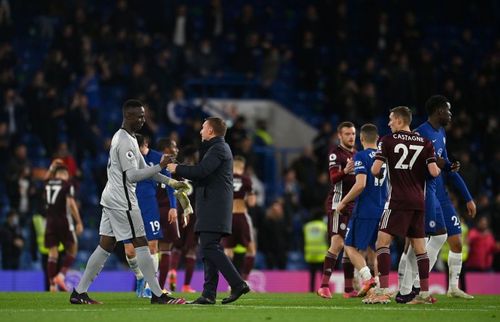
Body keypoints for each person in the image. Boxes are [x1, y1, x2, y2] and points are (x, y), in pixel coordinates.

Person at [69, 99, 189, 305]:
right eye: (140, 116)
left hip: (112, 197)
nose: (143, 120)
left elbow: (147, 169)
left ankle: (79, 292)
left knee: (105, 245)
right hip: (122, 201)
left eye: (144, 115)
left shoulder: (129, 138)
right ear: (128, 116)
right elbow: (133, 176)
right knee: (141, 243)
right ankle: (157, 295)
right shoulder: (124, 141)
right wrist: (160, 165)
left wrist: (170, 181)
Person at [398, 95, 475, 301]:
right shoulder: (419, 133)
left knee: (447, 239)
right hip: (424, 193)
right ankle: (409, 287)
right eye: (448, 110)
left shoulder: (441, 132)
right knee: (418, 240)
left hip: (440, 195)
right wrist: (435, 163)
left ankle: (441, 287)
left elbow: (444, 163)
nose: (451, 115)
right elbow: (411, 166)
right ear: (439, 111)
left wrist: (466, 195)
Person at [167, 117, 249, 305]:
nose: (200, 131)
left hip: (215, 207)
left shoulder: (218, 149)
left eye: (203, 128)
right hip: (212, 206)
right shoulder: (216, 148)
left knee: (210, 247)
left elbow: (201, 171)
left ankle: (237, 283)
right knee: (208, 248)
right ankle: (209, 293)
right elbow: (202, 174)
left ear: (211, 131)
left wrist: (177, 168)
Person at [365, 106, 440, 305]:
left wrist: (382, 170)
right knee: (420, 248)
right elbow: (434, 172)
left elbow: (374, 170)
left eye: (391, 120)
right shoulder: (425, 142)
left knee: (382, 242)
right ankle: (423, 293)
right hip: (418, 200)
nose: (389, 123)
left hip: (398, 199)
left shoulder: (387, 141)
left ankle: (381, 290)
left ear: (399, 120)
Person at [122, 134, 180, 298]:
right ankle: (141, 277)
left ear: (144, 144)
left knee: (153, 246)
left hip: (149, 206)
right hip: (130, 205)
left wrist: (173, 207)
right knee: (130, 251)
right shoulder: (128, 158)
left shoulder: (158, 158)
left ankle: (149, 285)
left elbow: (169, 184)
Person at [337, 123, 387, 297]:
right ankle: (379, 287)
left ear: (362, 139)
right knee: (376, 250)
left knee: (349, 246)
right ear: (378, 139)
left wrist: (343, 202)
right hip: (382, 210)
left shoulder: (360, 156)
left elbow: (361, 185)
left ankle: (367, 278)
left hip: (365, 210)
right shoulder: (384, 158)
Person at [317, 121, 357, 299]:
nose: (351, 137)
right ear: (340, 136)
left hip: (353, 206)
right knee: (338, 243)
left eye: (353, 134)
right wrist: (346, 171)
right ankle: (324, 286)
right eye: (347, 134)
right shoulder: (335, 153)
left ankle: (348, 289)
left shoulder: (357, 154)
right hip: (337, 204)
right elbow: (333, 178)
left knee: (350, 245)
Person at [44, 164, 83, 292]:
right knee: (73, 248)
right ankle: (60, 276)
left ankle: (52, 284)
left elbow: (46, 178)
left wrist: (51, 169)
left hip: (49, 221)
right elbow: (71, 203)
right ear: (65, 175)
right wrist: (78, 221)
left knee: (52, 253)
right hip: (63, 221)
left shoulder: (48, 184)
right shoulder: (67, 185)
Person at [167, 145, 199, 293]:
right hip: (193, 214)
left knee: (176, 247)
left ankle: (172, 270)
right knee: (191, 250)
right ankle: (186, 285)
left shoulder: (178, 172)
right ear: (193, 157)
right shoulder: (199, 173)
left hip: (178, 211)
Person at [222, 155, 257, 282]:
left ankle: (232, 283)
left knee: (228, 251)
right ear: (243, 166)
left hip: (228, 217)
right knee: (251, 250)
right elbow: (252, 202)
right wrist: (248, 198)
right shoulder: (246, 179)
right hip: (242, 215)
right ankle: (244, 280)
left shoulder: (226, 178)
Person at [303, 209, 328, 292]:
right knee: (323, 275)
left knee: (312, 276)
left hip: (310, 254)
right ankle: (324, 290)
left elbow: (303, 240)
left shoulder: (307, 226)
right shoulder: (323, 226)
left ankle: (311, 290)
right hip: (321, 254)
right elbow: (327, 239)